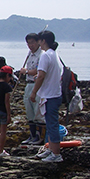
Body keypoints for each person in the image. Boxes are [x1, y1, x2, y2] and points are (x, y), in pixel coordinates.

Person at [31, 30, 63, 162]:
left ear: (43, 41)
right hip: (55, 93)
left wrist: (34, 92)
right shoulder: (54, 54)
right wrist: (38, 77)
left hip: (50, 95)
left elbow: (42, 75)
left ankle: (56, 154)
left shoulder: (45, 55)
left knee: (52, 124)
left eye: (39, 40)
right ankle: (50, 149)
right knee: (50, 124)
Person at [20, 33, 45, 145]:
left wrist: (26, 71)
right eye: (28, 43)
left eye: (32, 42)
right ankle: (32, 135)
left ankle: (39, 137)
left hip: (37, 84)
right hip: (28, 83)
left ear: (38, 42)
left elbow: (38, 70)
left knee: (37, 111)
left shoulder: (42, 54)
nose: (30, 45)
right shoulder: (30, 54)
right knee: (29, 111)